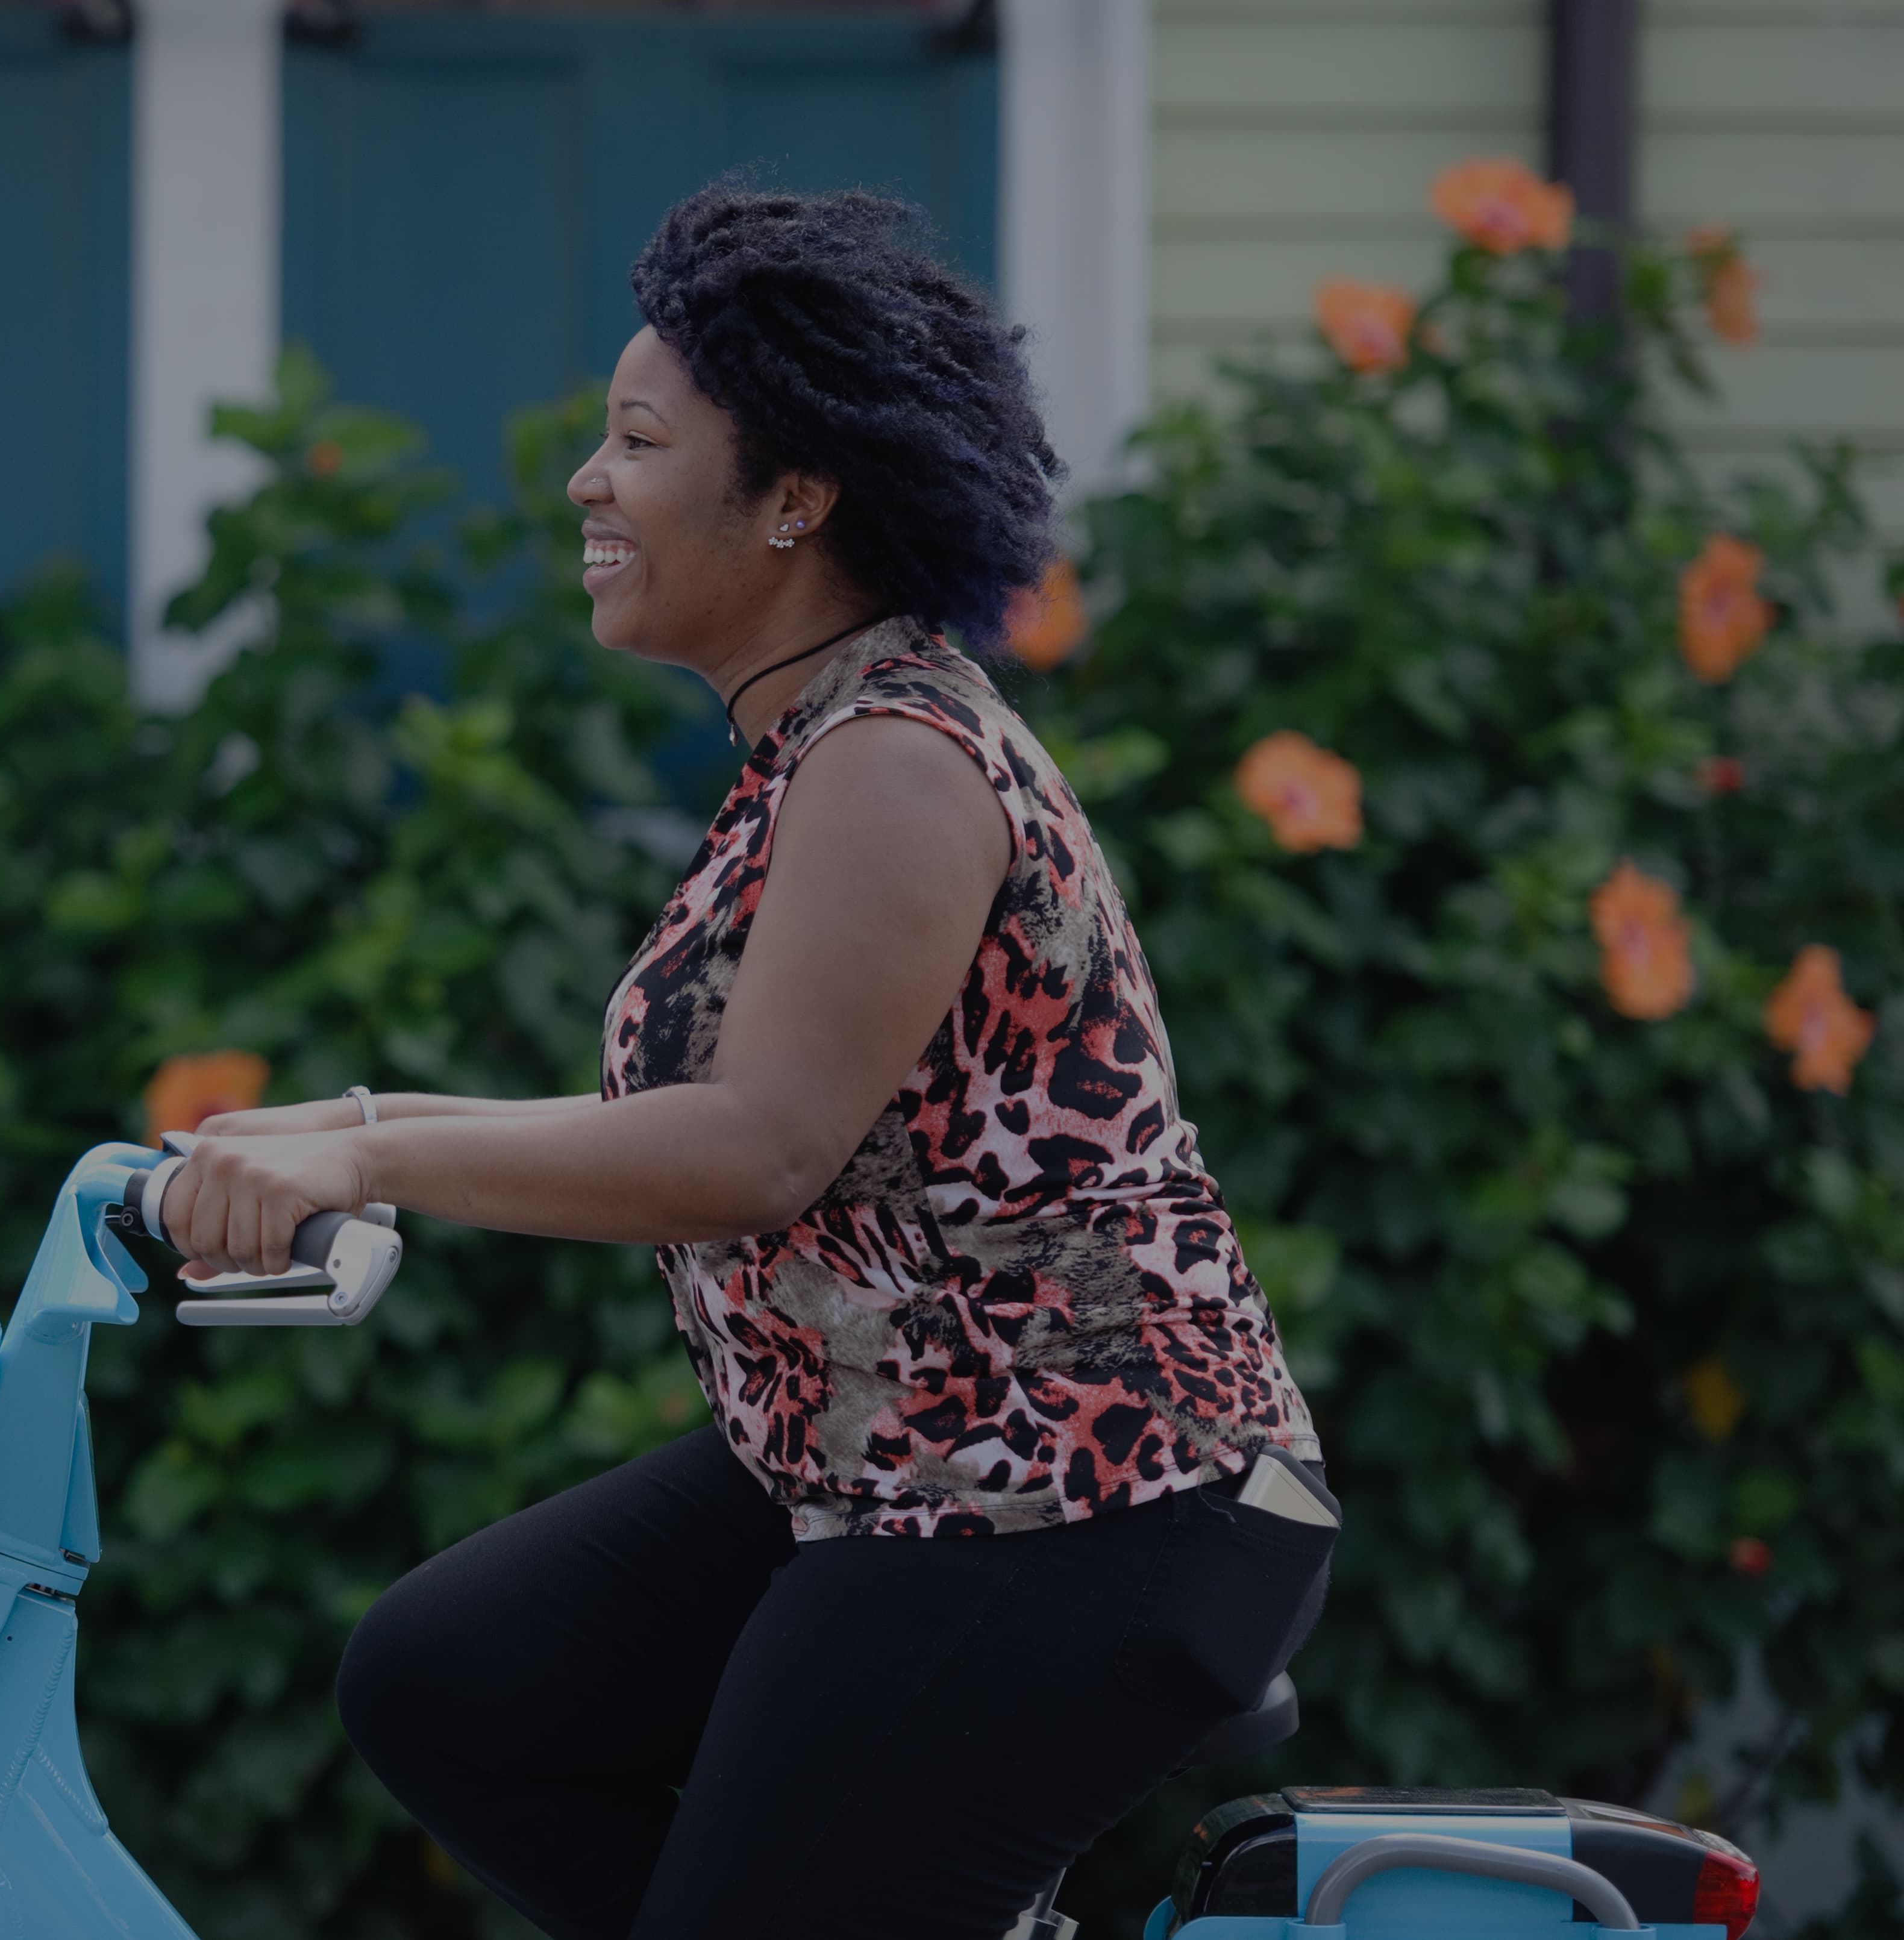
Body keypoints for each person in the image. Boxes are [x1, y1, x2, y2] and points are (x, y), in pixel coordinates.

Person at [158, 185, 1333, 1940]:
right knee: (450, 1685)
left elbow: (757, 1146)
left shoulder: (897, 756)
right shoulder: (817, 742)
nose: (588, 481)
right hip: (891, 1459)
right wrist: (340, 1125)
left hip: (1082, 1500)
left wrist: (367, 1156)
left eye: (639, 439)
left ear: (796, 496)